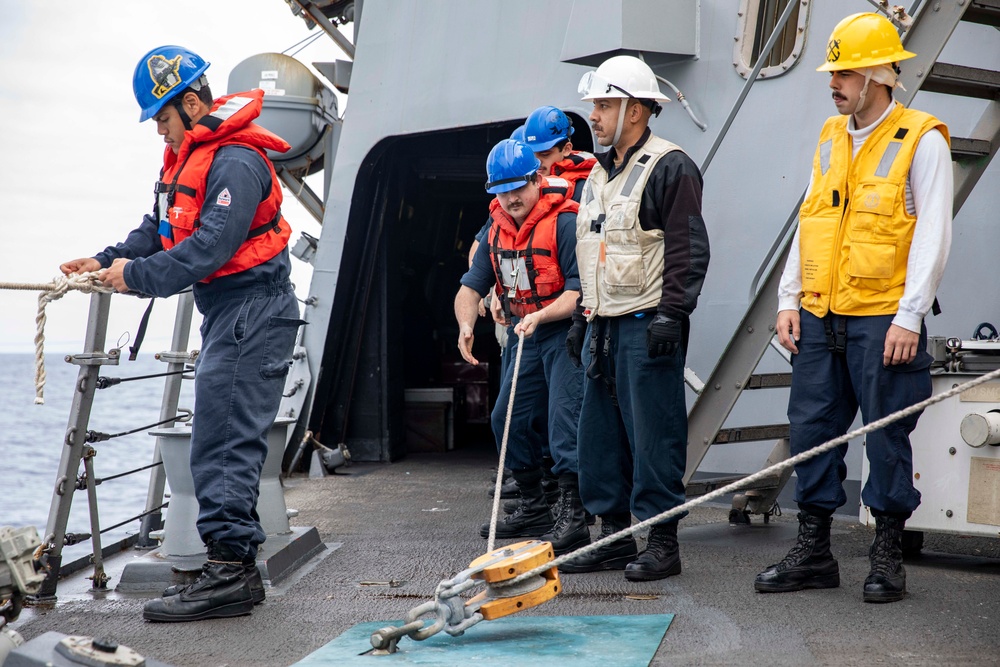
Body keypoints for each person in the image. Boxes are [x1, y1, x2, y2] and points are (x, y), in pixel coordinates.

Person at [60, 45, 304, 621]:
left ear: (191, 103)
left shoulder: (236, 163)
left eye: (164, 119)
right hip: (231, 314)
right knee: (218, 437)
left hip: (255, 312)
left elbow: (208, 248)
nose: (161, 133)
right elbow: (162, 227)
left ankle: (232, 575)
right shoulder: (189, 158)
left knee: (222, 441)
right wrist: (105, 261)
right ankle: (228, 567)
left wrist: (134, 278)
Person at [754, 13, 952, 604]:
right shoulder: (828, 137)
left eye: (844, 72)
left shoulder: (922, 139)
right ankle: (814, 549)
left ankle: (887, 553)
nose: (833, 82)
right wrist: (789, 298)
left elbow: (933, 234)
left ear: (878, 75)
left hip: (882, 317)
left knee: (887, 435)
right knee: (811, 428)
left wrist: (910, 315)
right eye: (833, 72)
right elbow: (810, 223)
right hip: (820, 315)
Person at [562, 55, 709, 581]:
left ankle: (662, 542)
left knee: (654, 435)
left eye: (603, 104)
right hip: (602, 324)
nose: (594, 116)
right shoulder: (597, 174)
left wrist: (673, 314)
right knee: (597, 437)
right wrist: (583, 315)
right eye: (595, 105)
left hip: (647, 325)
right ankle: (614, 537)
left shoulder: (670, 166)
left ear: (636, 110)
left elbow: (688, 248)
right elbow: (592, 250)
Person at [454, 139, 589, 555]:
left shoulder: (566, 223)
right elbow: (470, 285)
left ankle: (575, 517)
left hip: (563, 332)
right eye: (502, 191)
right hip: (524, 333)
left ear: (536, 179)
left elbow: (577, 292)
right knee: (506, 419)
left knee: (565, 423)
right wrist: (465, 322)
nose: (511, 199)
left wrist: (540, 316)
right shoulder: (496, 230)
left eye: (518, 188)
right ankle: (534, 506)